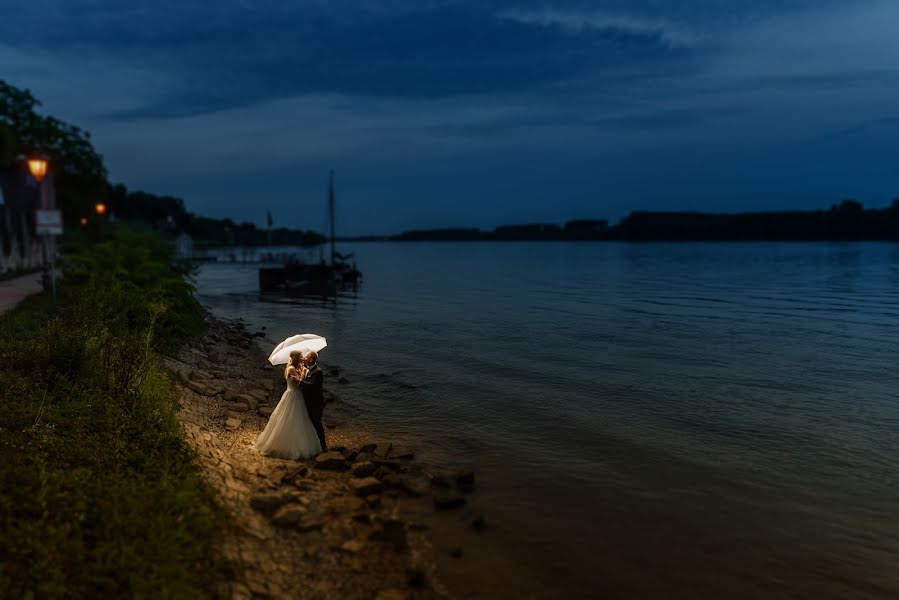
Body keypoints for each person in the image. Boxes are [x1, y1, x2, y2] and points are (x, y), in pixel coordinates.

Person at [253, 350, 322, 459]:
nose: (303, 357)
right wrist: (304, 372)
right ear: (296, 358)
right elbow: (299, 384)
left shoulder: (298, 368)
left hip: (299, 397)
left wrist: (303, 370)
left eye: (303, 356)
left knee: (300, 421)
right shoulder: (290, 369)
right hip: (293, 395)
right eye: (301, 356)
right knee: (289, 419)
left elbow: (302, 382)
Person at [298, 350, 327, 451]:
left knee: (317, 422)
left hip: (316, 402)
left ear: (310, 359)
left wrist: (299, 382)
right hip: (308, 401)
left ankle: (323, 446)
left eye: (306, 357)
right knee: (310, 423)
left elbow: (313, 386)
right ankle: (313, 445)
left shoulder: (317, 371)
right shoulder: (308, 369)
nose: (304, 358)